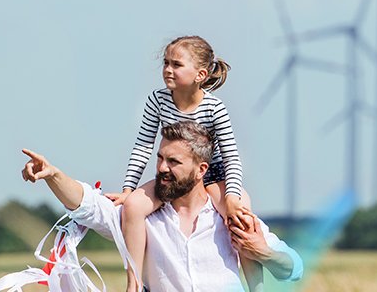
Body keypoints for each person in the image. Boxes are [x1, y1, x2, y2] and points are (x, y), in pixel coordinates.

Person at [20, 120, 303, 291]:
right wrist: (54, 175)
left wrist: (263, 251)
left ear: (201, 169)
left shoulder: (227, 216)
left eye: (174, 162)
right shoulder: (140, 216)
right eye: (160, 158)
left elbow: (293, 267)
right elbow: (89, 206)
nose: (162, 168)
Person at [104, 35, 263, 291]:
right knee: (133, 206)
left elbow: (231, 156)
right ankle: (134, 284)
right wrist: (128, 189)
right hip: (173, 175)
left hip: (211, 175)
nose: (168, 69)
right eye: (166, 63)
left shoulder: (215, 108)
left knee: (242, 215)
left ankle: (257, 287)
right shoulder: (157, 100)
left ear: (200, 74)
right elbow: (143, 146)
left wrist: (232, 197)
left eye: (176, 65)